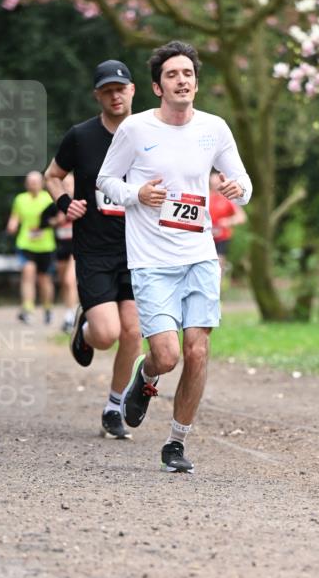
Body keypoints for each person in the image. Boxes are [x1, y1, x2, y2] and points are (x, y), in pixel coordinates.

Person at [96, 40, 252, 473]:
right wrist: (137, 194)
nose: (182, 80)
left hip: (199, 255)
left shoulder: (214, 128)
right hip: (151, 261)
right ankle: (146, 378)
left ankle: (176, 443)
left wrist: (238, 188)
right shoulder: (136, 129)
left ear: (196, 84)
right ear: (157, 87)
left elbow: (242, 182)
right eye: (172, 75)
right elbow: (106, 180)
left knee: (197, 351)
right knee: (167, 356)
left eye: (188, 74)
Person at [44, 60, 142, 439]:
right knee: (106, 334)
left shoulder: (151, 133)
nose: (115, 96)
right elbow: (53, 176)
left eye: (120, 89)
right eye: (107, 91)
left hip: (139, 249)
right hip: (94, 249)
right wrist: (65, 203)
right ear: (97, 96)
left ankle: (113, 407)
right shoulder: (81, 136)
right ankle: (85, 330)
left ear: (133, 90)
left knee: (133, 331)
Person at [6, 171, 56, 325]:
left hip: (46, 245)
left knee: (44, 279)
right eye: (30, 182)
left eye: (35, 182)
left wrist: (45, 225)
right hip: (25, 243)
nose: (33, 185)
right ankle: (28, 308)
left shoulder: (49, 198)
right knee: (28, 273)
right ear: (26, 184)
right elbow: (15, 217)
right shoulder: (20, 199)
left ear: (42, 183)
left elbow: (58, 219)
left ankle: (47, 308)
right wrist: (12, 225)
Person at [39, 173, 79, 333]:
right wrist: (56, 221)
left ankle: (70, 317)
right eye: (64, 184)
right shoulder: (55, 205)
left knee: (70, 281)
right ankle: (72, 311)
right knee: (65, 283)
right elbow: (43, 222)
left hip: (78, 247)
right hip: (61, 248)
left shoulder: (82, 202)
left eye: (70, 184)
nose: (67, 187)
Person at [209, 168, 247, 277]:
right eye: (212, 184)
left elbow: (242, 217)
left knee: (219, 264)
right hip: (206, 237)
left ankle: (218, 286)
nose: (215, 187)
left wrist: (228, 221)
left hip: (222, 237)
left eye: (217, 184)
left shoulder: (228, 198)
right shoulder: (205, 197)